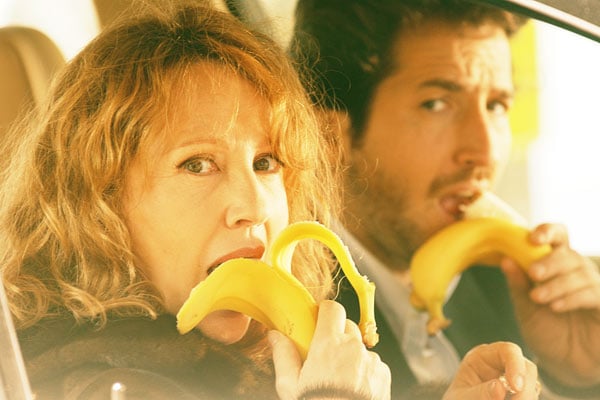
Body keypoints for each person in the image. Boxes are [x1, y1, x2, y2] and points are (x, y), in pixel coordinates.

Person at [0, 1, 539, 399]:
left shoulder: (243, 367)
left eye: (267, 163)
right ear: (99, 204)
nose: (254, 206)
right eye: (196, 164)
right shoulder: (91, 384)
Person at [291, 0, 600, 399]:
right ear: (329, 137)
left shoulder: (525, 295)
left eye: (496, 105)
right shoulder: (283, 329)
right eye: (437, 103)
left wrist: (581, 377)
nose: (485, 151)